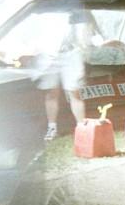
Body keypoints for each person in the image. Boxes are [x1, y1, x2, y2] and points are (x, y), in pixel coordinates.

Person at [37, 9, 89, 140]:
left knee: (74, 92)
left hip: (71, 52)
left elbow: (84, 25)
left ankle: (81, 128)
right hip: (48, 54)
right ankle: (52, 128)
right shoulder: (43, 5)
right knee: (51, 93)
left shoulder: (72, 4)